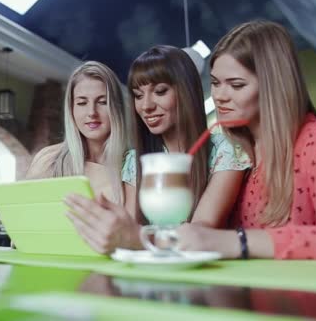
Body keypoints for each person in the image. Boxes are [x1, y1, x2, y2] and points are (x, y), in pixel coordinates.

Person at [175, 20, 316, 260]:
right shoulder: (241, 156)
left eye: (236, 85)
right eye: (215, 83)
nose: (219, 96)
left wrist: (237, 241)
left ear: (273, 87)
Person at [64, 45, 251, 254]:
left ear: (186, 91)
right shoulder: (135, 162)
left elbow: (200, 233)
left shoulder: (226, 150)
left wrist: (134, 236)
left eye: (160, 91)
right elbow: (128, 229)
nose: (146, 106)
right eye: (137, 95)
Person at [26, 61, 135, 214]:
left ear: (117, 108)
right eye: (82, 103)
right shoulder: (48, 160)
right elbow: (22, 227)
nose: (92, 112)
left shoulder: (132, 166)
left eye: (103, 102)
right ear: (71, 109)